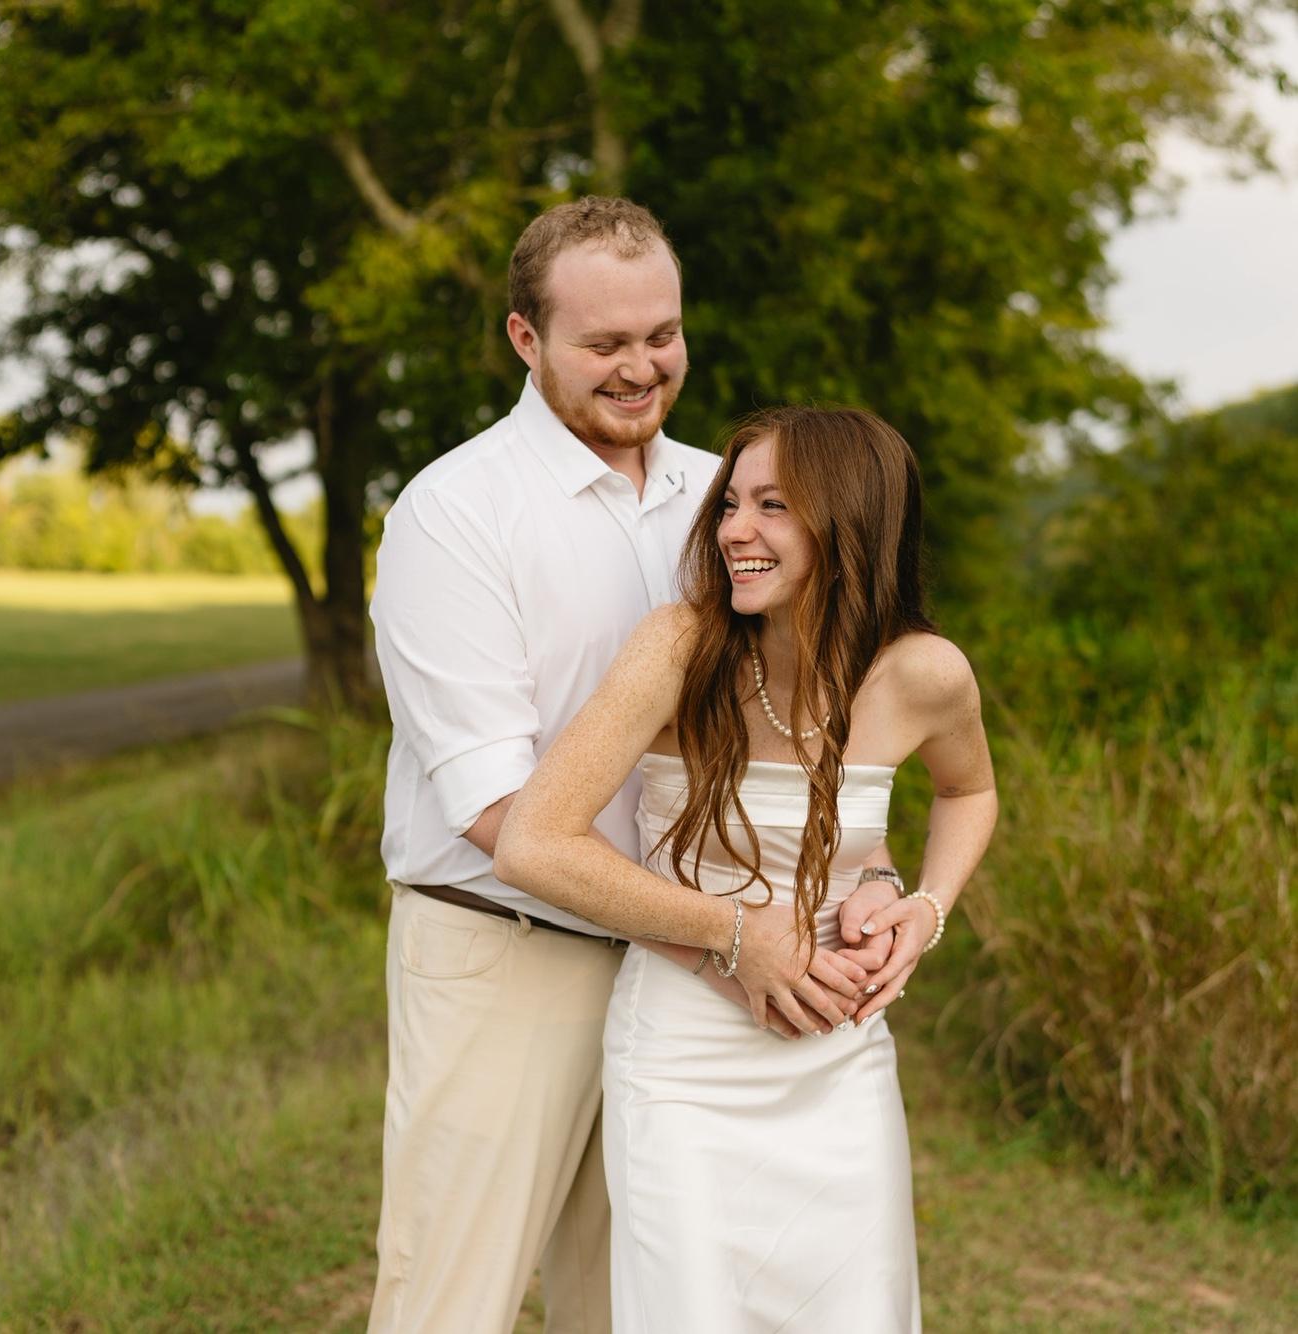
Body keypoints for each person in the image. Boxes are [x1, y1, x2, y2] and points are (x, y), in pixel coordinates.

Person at [367, 199, 902, 1334]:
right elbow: (489, 807)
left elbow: (801, 731)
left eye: (658, 334)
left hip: (684, 996)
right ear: (525, 338)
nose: (639, 366)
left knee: (641, 1304)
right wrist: (717, 933)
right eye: (602, 343)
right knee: (450, 1298)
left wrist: (876, 882)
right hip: (507, 952)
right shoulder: (453, 512)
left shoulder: (734, 497)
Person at [495, 405, 999, 1332]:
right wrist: (734, 935)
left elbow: (970, 795)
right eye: (731, 503)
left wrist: (924, 909)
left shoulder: (924, 674)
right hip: (685, 1062)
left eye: (772, 506)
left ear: (848, 519)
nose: (733, 530)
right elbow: (535, 840)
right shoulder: (678, 649)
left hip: (837, 1057)